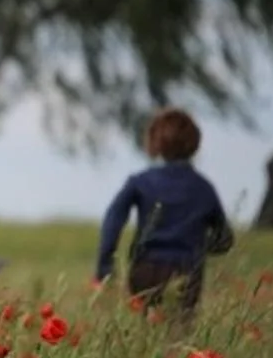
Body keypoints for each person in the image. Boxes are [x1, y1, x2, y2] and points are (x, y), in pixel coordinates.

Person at [93, 108, 234, 324]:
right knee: (178, 337)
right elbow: (224, 239)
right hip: (188, 272)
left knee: (147, 335)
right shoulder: (203, 188)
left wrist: (105, 267)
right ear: (194, 144)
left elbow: (113, 221)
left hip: (146, 269)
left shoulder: (140, 182)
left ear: (156, 142)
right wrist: (197, 246)